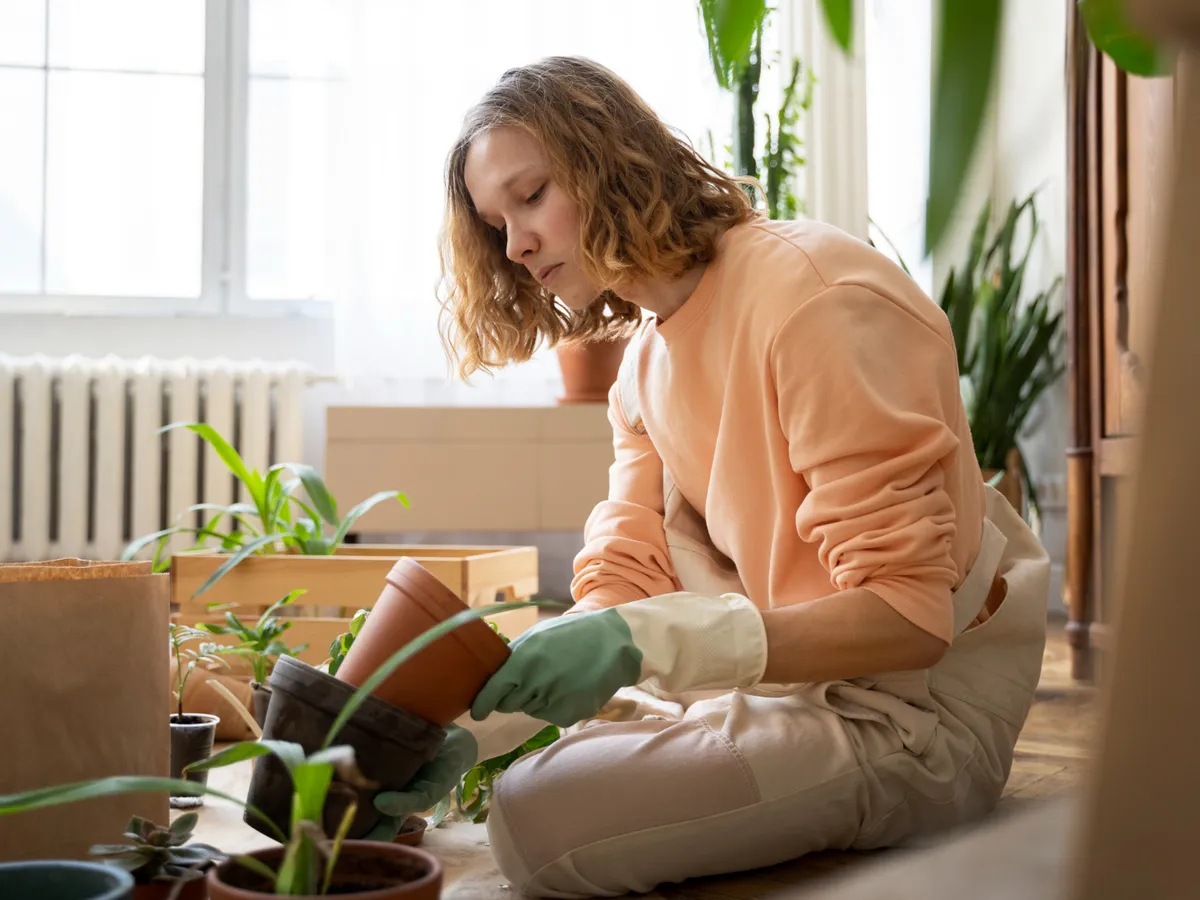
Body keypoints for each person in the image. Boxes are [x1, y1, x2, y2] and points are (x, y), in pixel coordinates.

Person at [368, 55, 1050, 899]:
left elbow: (907, 617)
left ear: (608, 158)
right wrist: (477, 728)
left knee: (540, 822)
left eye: (532, 194)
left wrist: (646, 645)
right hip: (786, 693)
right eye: (496, 221)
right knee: (527, 789)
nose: (516, 244)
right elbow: (625, 581)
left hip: (908, 717)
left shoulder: (814, 298)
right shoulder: (643, 365)